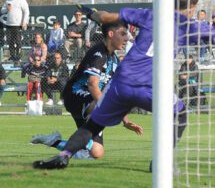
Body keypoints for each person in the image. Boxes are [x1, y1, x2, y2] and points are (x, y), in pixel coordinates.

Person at [32, 0, 215, 170]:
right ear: (192, 6)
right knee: (180, 113)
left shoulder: (148, 14)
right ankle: (161, 164)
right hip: (147, 86)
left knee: (93, 125)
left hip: (121, 83)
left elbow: (106, 17)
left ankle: (64, 154)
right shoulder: (189, 25)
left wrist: (92, 13)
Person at [31, 22, 142, 160]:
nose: (126, 38)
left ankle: (54, 141)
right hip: (76, 95)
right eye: (123, 34)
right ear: (111, 34)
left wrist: (125, 121)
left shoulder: (114, 60)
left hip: (91, 102)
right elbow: (92, 84)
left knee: (96, 153)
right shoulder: (98, 53)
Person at [1, 0, 29, 65]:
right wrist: (7, 9)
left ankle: (18, 57)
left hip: (18, 25)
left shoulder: (22, 0)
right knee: (10, 42)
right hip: (9, 24)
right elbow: (2, 11)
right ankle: (12, 56)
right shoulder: (8, 1)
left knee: (18, 42)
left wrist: (24, 21)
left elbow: (26, 12)